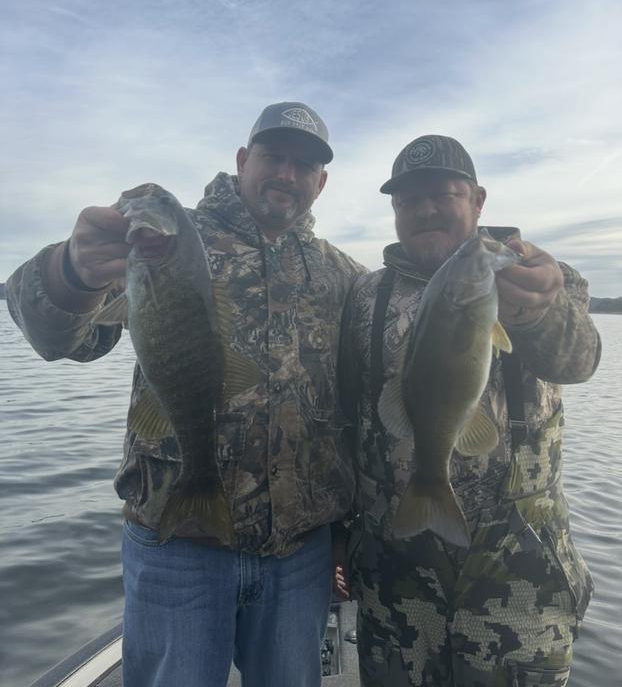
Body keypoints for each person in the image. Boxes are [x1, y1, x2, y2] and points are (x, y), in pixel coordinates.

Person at [7, 102, 364, 687]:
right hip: (177, 546)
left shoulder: (343, 277)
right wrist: (71, 272)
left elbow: (359, 407)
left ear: (320, 182)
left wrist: (345, 533)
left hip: (300, 555)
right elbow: (63, 339)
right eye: (273, 157)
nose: (286, 174)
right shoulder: (167, 242)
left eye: (303, 165)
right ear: (243, 161)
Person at [337, 135, 600, 687]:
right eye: (409, 200)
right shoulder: (362, 295)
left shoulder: (540, 276)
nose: (426, 209)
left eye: (444, 194)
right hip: (396, 584)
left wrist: (536, 313)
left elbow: (579, 361)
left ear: (478, 201)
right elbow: (346, 421)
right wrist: (338, 537)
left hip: (520, 587)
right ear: (394, 211)